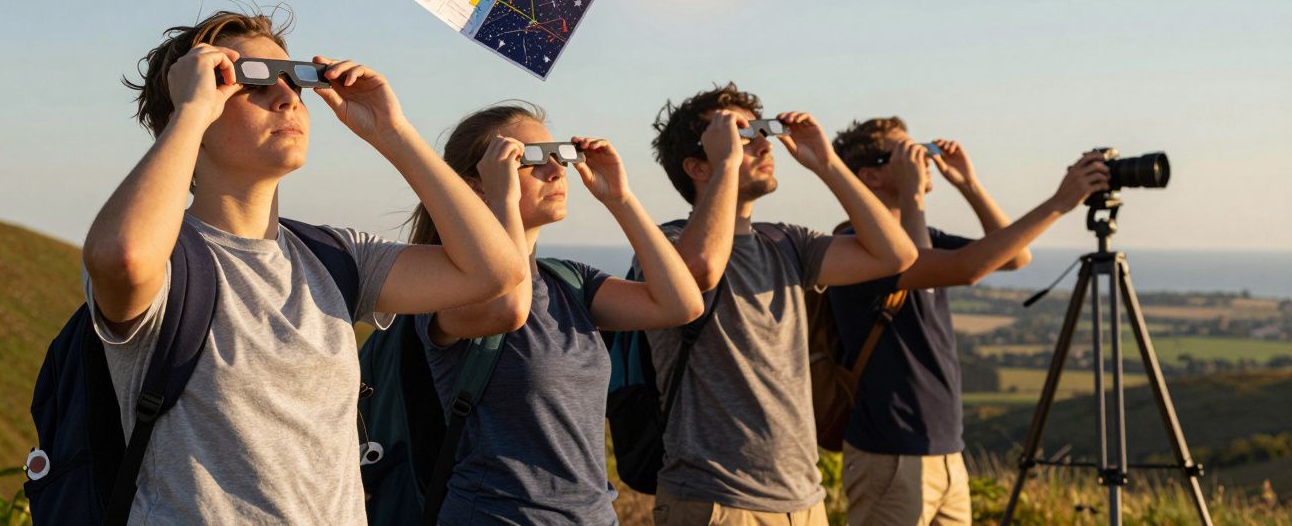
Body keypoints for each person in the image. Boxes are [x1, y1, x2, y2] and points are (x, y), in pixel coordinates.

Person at [82, 9, 526, 524]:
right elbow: (121, 258)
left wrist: (392, 131)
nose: (287, 97)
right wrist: (189, 113)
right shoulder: (168, 261)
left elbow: (496, 272)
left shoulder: (336, 257)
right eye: (251, 82)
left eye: (294, 81)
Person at [410, 103, 703, 525]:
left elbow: (681, 304)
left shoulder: (570, 282)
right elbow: (509, 306)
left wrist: (620, 198)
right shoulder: (449, 286)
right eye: (528, 159)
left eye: (559, 155)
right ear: (477, 183)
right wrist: (501, 200)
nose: (556, 170)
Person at [642, 83, 919, 526]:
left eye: (759, 131)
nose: (760, 144)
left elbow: (896, 256)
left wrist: (827, 164)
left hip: (803, 501)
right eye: (739, 134)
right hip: (715, 500)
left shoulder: (787, 242)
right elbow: (699, 272)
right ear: (697, 165)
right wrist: (729, 162)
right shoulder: (665, 245)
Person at [826, 117, 1111, 526]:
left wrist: (969, 185)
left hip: (944, 450)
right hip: (889, 453)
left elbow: (1014, 257)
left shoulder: (924, 234)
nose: (922, 161)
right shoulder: (859, 245)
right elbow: (957, 269)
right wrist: (1058, 203)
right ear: (869, 176)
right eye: (905, 154)